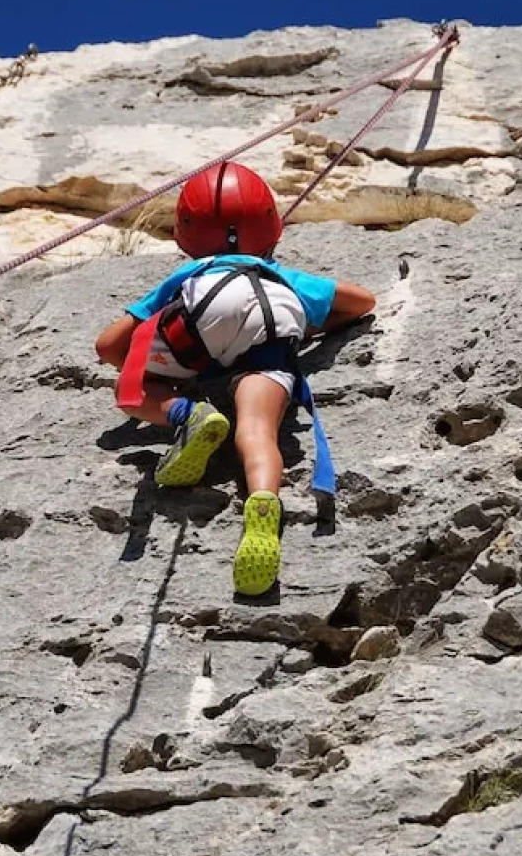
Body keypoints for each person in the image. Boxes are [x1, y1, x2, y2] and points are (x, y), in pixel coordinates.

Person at [94, 161, 375, 596]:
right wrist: (308, 327)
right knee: (258, 431)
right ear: (269, 226)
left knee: (131, 389)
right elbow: (360, 302)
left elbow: (110, 346)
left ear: (185, 232)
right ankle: (263, 503)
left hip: (198, 340)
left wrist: (159, 378)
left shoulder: (189, 274)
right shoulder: (279, 276)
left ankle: (186, 414)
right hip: (268, 339)